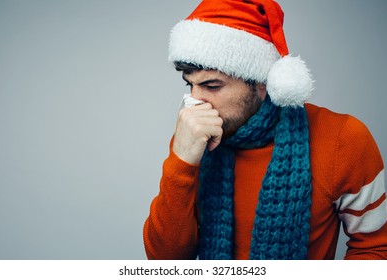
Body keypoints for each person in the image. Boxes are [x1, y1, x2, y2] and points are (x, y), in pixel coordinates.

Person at [143, 0, 387, 260]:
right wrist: (182, 161)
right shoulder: (192, 137)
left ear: (261, 82)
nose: (195, 101)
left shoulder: (343, 138)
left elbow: (376, 248)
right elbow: (165, 262)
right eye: (189, 85)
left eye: (212, 86)